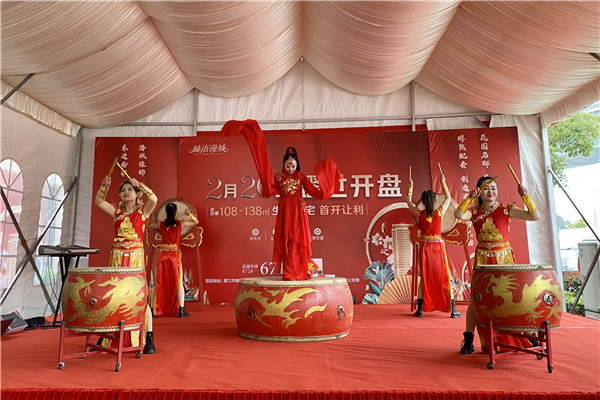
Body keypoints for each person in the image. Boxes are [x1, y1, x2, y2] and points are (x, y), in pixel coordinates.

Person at [222, 119, 342, 281]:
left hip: (299, 213)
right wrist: (265, 180)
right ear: (284, 164)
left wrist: (326, 186)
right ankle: (289, 272)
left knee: (298, 241)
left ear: (296, 165)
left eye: (293, 166)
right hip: (285, 213)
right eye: (288, 165)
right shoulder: (278, 177)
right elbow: (269, 191)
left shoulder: (301, 177)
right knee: (287, 242)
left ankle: (301, 270)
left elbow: (314, 192)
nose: (290, 168)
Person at [454, 175, 539, 354]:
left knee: (512, 297)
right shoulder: (474, 211)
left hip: (504, 260)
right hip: (483, 261)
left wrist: (525, 195)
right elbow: (458, 214)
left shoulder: (507, 209)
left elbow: (534, 216)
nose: (490, 191)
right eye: (485, 188)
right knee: (477, 299)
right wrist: (469, 197)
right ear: (479, 192)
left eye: (493, 188)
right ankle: (468, 340)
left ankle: (528, 335)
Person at [95, 176, 158, 354]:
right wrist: (104, 186)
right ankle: (108, 335)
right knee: (114, 295)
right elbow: (99, 201)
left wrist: (141, 185)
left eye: (130, 189)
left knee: (140, 296)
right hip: (117, 257)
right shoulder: (116, 211)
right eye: (123, 190)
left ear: (137, 194)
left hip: (135, 258)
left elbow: (154, 199)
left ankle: (149, 337)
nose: (126, 192)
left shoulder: (143, 211)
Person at [405, 172, 462, 318]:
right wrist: (443, 182)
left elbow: (408, 201)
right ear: (435, 200)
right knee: (444, 276)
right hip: (438, 247)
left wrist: (410, 187)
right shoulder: (440, 212)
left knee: (424, 277)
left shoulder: (418, 213)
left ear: (423, 201)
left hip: (425, 246)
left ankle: (419, 310)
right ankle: (453, 310)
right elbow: (448, 198)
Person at [148, 203, 198, 318]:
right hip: (174, 255)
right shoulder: (180, 223)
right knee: (178, 282)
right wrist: (189, 214)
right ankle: (181, 310)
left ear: (166, 212)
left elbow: (149, 226)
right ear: (175, 212)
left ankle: (154, 310)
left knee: (159, 282)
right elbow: (196, 222)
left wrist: (151, 216)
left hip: (163, 254)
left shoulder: (161, 224)